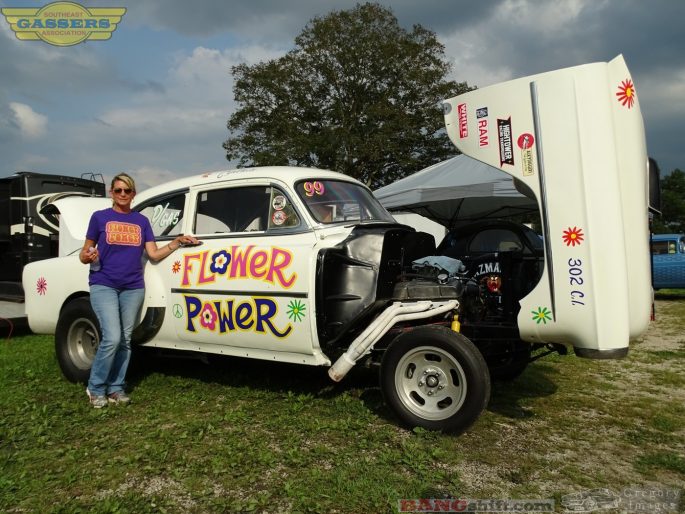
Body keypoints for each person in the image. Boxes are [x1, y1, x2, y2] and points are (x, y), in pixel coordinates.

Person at [80, 173, 199, 408]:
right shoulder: (99, 217)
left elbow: (153, 254)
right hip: (104, 283)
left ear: (133, 194)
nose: (123, 194)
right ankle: (95, 387)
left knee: (125, 339)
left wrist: (176, 242)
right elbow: (85, 254)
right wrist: (87, 256)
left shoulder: (141, 221)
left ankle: (116, 388)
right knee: (112, 338)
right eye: (118, 190)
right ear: (111, 193)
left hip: (133, 287)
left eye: (127, 190)